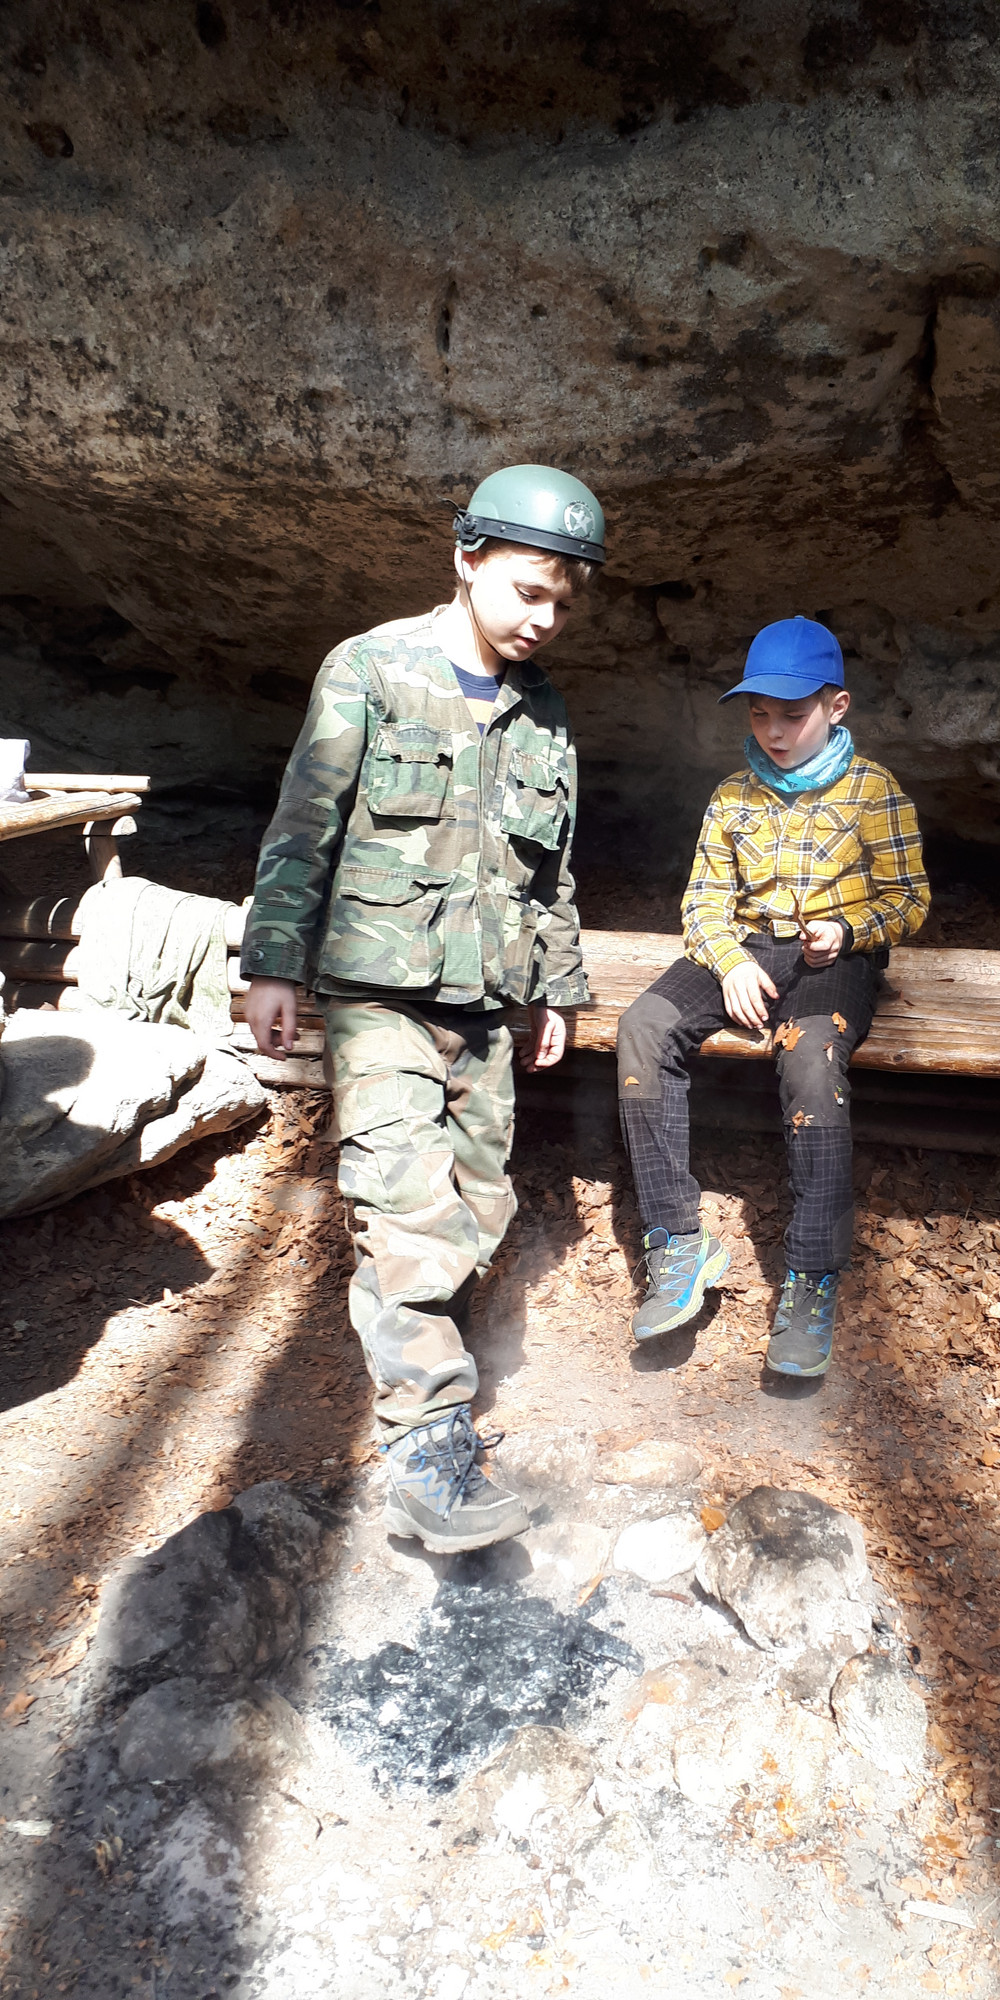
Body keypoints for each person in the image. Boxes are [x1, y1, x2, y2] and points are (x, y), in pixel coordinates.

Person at [240, 466, 604, 1553]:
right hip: (379, 997)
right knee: (405, 1212)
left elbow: (551, 871)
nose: (543, 619)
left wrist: (555, 987)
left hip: (486, 1006)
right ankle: (428, 1447)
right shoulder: (371, 668)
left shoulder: (545, 711)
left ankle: (434, 1390)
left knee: (477, 1211)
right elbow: (305, 820)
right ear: (465, 557)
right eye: (528, 591)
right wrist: (273, 962)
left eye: (561, 603)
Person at [615, 615, 929, 1376]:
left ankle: (812, 1276)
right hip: (748, 949)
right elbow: (702, 903)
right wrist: (728, 962)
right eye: (760, 714)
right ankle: (678, 1242)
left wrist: (848, 930)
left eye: (792, 714)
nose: (775, 732)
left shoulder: (874, 791)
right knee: (643, 1028)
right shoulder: (732, 796)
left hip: (833, 958)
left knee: (811, 1060)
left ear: (837, 706)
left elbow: (909, 901)